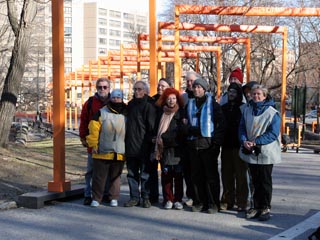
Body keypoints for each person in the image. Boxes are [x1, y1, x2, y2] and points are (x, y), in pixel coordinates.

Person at [239, 84, 281, 221]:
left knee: (265, 181)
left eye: (259, 94)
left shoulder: (272, 112)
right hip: (251, 150)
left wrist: (256, 141)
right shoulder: (247, 109)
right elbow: (242, 127)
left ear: (264, 96)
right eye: (254, 93)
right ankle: (255, 206)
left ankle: (265, 207)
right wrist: (244, 140)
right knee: (254, 180)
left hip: (266, 152)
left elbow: (273, 133)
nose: (256, 96)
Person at [184, 77, 225, 214]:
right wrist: (189, 129)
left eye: (199, 87)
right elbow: (184, 123)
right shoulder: (189, 104)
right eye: (194, 87)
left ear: (204, 89)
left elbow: (220, 125)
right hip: (192, 144)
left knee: (211, 176)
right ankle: (198, 201)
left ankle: (213, 203)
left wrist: (216, 143)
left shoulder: (213, 104)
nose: (196, 89)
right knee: (196, 176)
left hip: (208, 145)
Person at [86, 89, 127, 207]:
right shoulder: (101, 112)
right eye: (114, 97)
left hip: (119, 150)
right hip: (102, 150)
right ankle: (96, 198)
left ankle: (113, 197)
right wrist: (93, 144)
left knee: (115, 177)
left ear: (122, 98)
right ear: (110, 98)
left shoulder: (127, 112)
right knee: (99, 176)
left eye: (118, 97)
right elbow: (93, 129)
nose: (116, 99)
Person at [79, 77, 111, 205]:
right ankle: (88, 194)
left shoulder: (115, 101)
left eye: (105, 87)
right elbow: (84, 121)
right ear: (96, 88)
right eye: (100, 87)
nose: (102, 89)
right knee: (91, 171)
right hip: (93, 142)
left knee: (107, 170)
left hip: (109, 143)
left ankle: (106, 194)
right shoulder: (90, 103)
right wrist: (83, 137)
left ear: (109, 88)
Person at [124, 80, 156, 208]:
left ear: (146, 91)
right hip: (131, 145)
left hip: (144, 146)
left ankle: (146, 197)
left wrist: (150, 145)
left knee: (145, 174)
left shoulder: (149, 105)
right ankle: (134, 197)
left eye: (139, 89)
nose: (137, 91)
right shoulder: (130, 105)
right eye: (135, 89)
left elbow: (151, 127)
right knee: (132, 174)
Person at [154, 88, 185, 210]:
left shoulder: (181, 113)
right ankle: (168, 198)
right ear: (165, 100)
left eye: (173, 98)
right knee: (166, 175)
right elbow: (157, 129)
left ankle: (178, 199)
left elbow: (180, 130)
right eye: (169, 98)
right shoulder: (161, 113)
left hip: (177, 149)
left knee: (178, 176)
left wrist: (165, 137)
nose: (171, 101)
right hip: (165, 149)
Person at [220, 83, 248, 212]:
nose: (231, 94)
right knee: (226, 175)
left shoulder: (243, 108)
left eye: (234, 92)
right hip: (226, 145)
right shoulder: (223, 108)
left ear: (238, 94)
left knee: (240, 175)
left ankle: (242, 201)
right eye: (230, 92)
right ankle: (227, 200)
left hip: (239, 146)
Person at [149, 78, 172, 204]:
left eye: (163, 86)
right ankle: (153, 197)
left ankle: (168, 197)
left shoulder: (172, 102)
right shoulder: (152, 101)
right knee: (152, 169)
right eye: (159, 86)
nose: (160, 88)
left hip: (166, 142)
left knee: (166, 170)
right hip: (152, 140)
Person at [180, 71, 201, 207]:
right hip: (185, 138)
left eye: (191, 80)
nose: (189, 83)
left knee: (197, 170)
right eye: (187, 81)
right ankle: (191, 195)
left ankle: (199, 196)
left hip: (198, 138)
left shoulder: (204, 97)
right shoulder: (183, 97)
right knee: (187, 169)